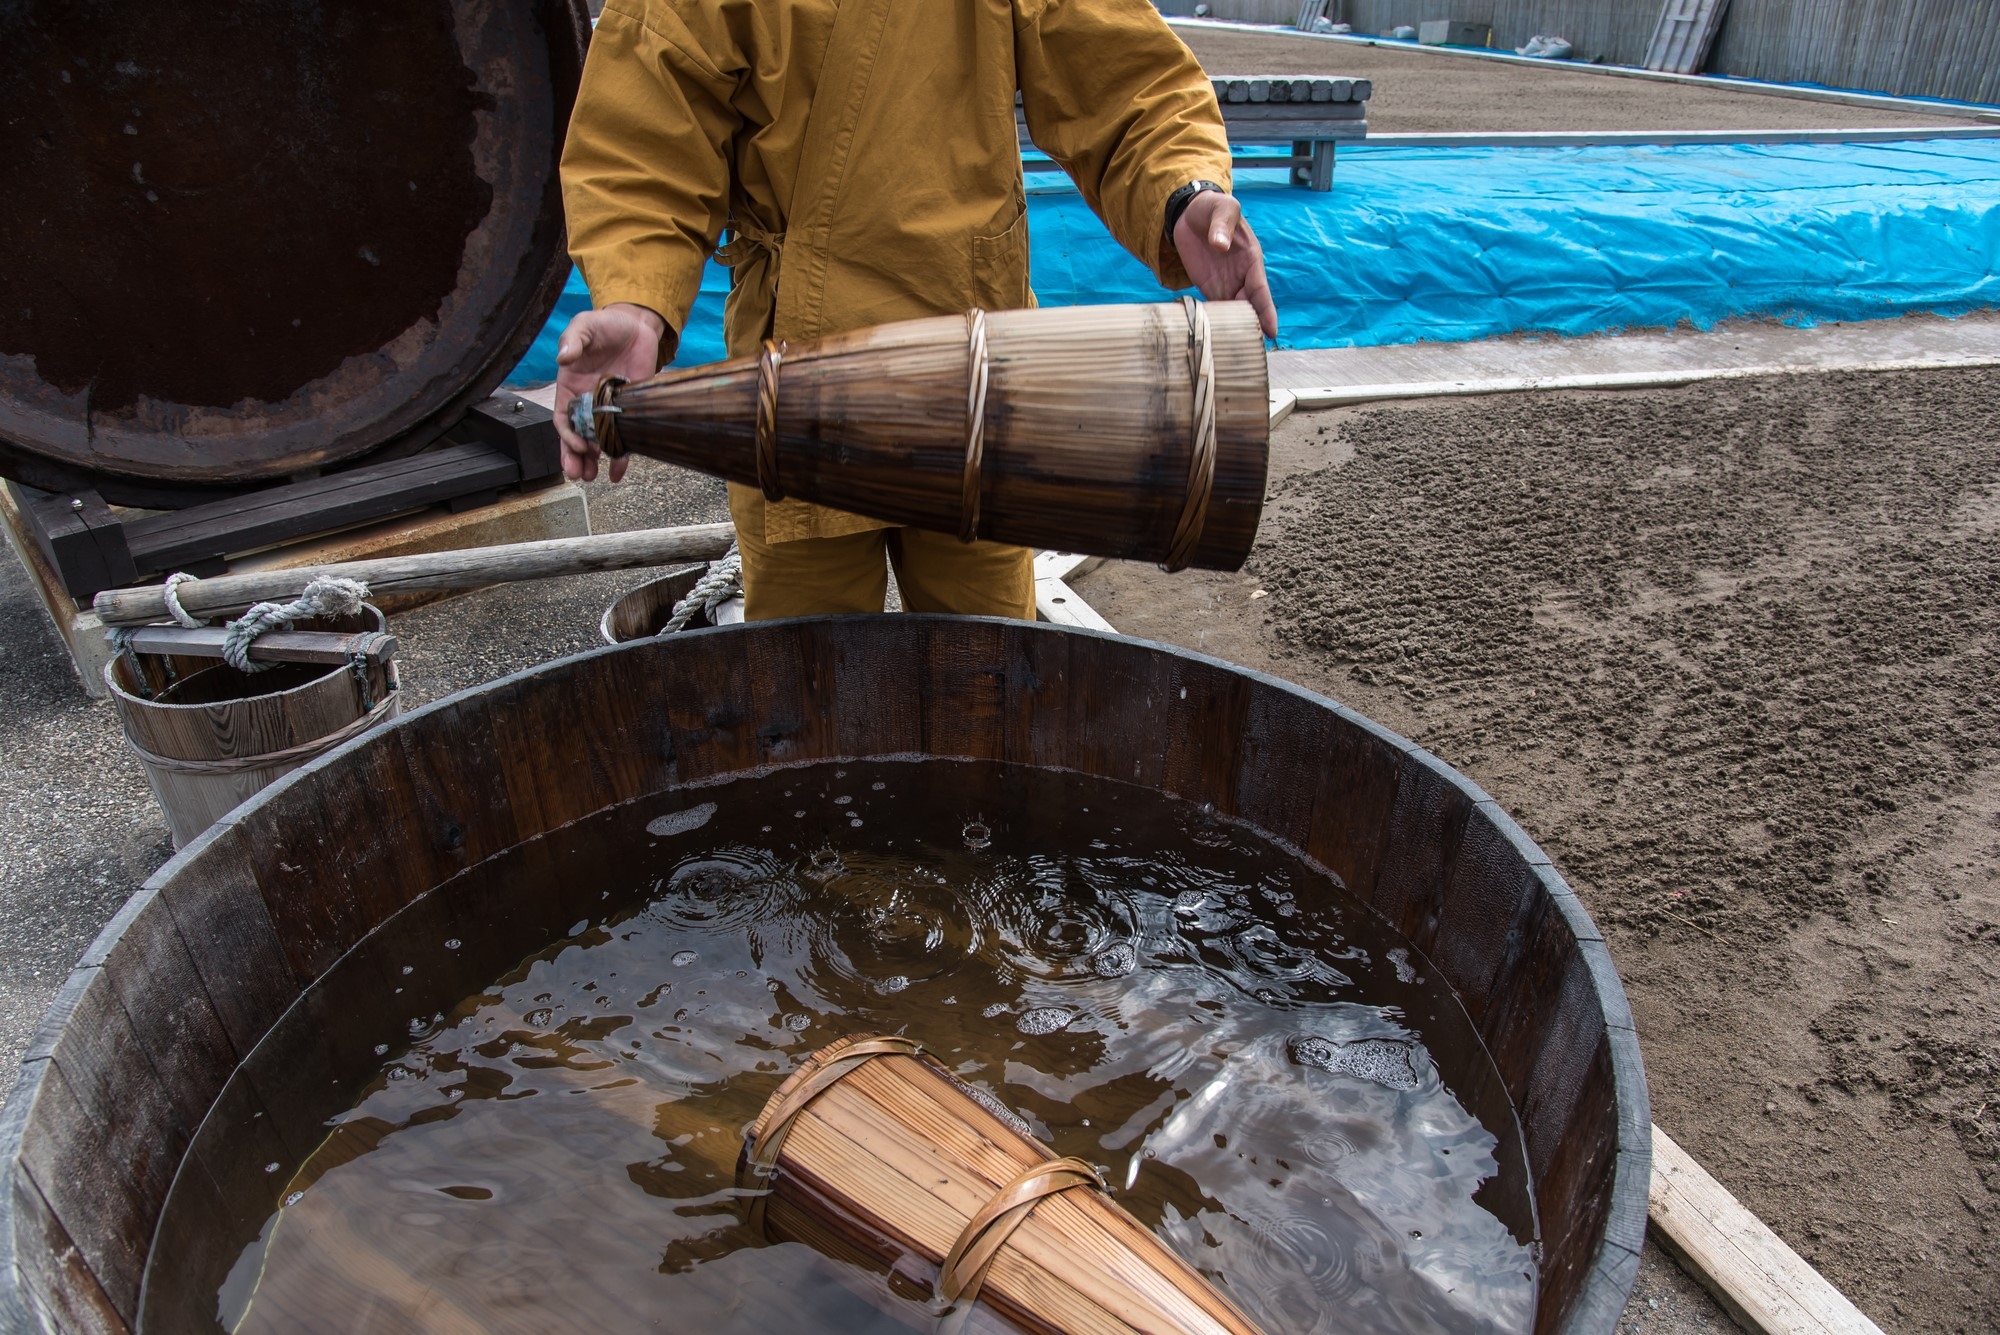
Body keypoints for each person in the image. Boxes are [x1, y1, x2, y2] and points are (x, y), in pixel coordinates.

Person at [552, 0, 1278, 621]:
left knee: (984, 678)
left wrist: (1184, 192)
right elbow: (648, 118)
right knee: (812, 697)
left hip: (988, 383)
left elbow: (1120, 73)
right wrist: (638, 299)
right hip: (794, 382)